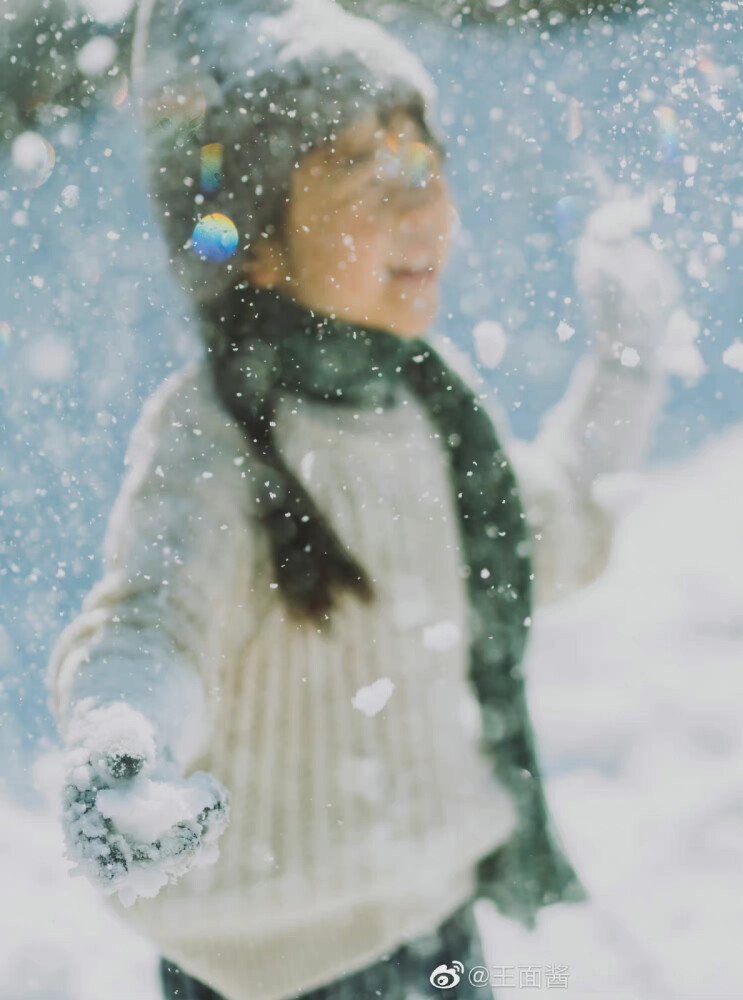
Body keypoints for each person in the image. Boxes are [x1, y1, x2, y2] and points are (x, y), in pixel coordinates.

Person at [45, 1, 684, 998]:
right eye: (356, 166)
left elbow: (557, 529)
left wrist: (630, 366)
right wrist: (127, 739)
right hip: (268, 965)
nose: (418, 200)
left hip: (434, 928)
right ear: (256, 242)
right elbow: (154, 620)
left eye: (423, 160)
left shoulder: (428, 408)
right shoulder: (220, 437)